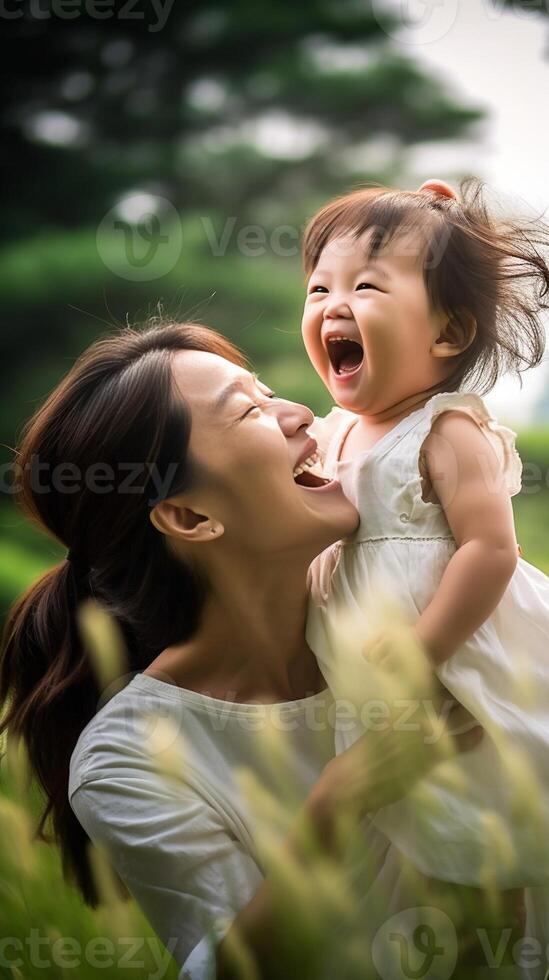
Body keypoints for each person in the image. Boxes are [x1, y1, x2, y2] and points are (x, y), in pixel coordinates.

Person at [0, 321, 487, 980]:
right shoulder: (129, 757)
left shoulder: (423, 618)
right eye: (251, 410)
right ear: (190, 517)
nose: (301, 415)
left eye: (269, 392)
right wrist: (339, 802)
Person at [301, 177, 549, 939]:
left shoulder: (447, 431)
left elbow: (489, 549)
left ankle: (507, 932)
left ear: (445, 334)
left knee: (484, 801)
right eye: (317, 288)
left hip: (459, 655)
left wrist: (421, 650)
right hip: (368, 671)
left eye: (366, 286)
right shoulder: (325, 434)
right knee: (410, 818)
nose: (331, 306)